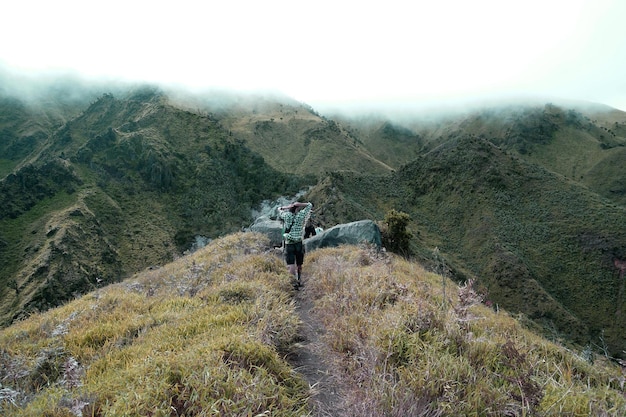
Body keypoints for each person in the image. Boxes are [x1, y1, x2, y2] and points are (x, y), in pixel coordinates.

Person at [278, 201, 313, 289]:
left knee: (291, 264)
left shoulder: (286, 216)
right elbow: (309, 205)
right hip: (298, 242)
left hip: (289, 243)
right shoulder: (301, 215)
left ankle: (294, 283)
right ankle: (299, 279)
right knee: (299, 263)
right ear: (297, 208)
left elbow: (279, 210)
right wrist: (299, 204)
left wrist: (285, 207)